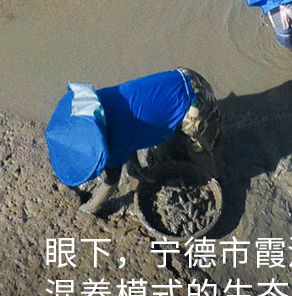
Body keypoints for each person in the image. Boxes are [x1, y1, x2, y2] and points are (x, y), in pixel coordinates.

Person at [45, 68, 221, 215]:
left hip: (196, 104)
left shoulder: (113, 146)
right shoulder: (98, 102)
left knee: (202, 146)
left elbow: (111, 183)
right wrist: (134, 164)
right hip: (181, 75)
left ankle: (213, 157)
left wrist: (89, 207)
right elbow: (128, 133)